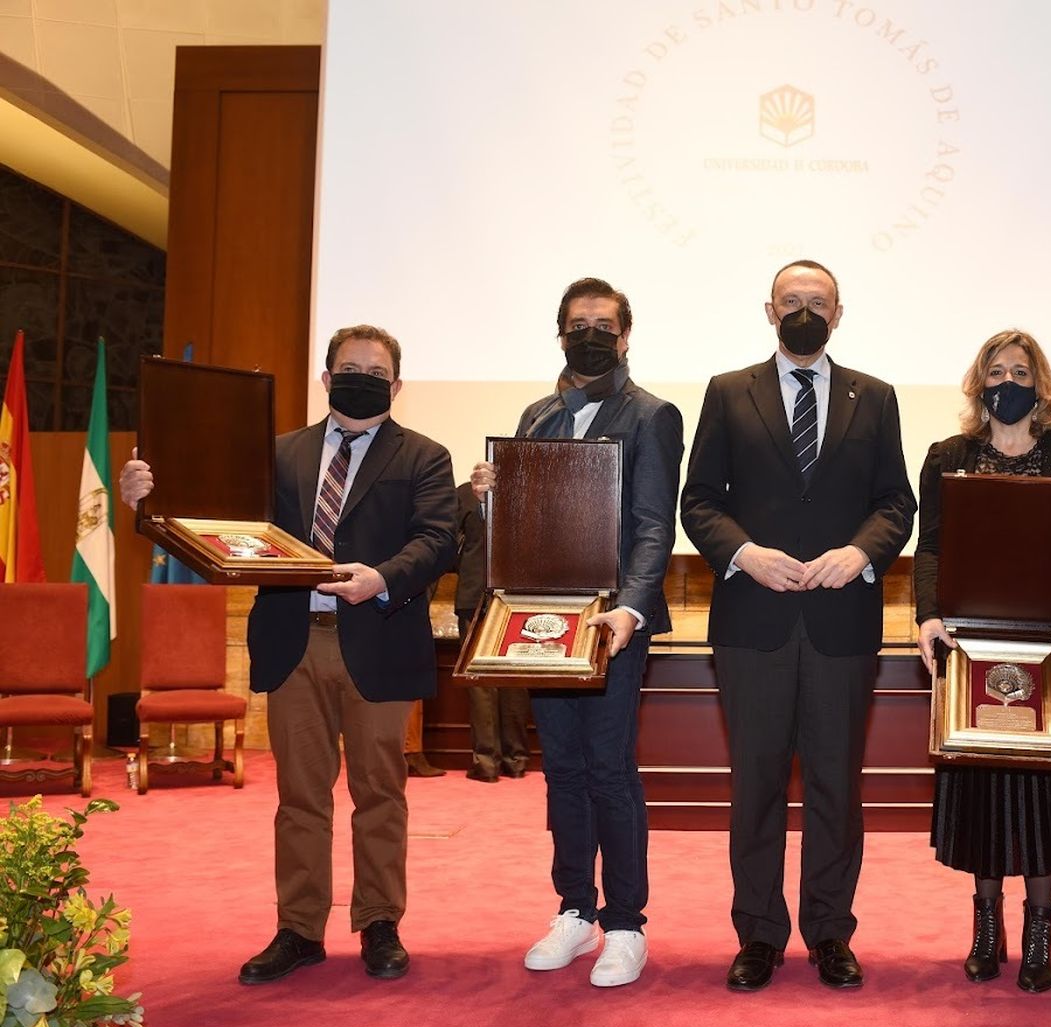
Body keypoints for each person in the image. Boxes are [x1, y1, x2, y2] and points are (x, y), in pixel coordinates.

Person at [119, 324, 456, 984]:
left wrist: (380, 577)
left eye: (376, 369)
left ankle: (380, 921)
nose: (362, 376)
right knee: (300, 796)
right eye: (348, 367)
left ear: (396, 385)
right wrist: (147, 500)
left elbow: (438, 539)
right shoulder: (276, 454)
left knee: (379, 793)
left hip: (379, 639)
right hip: (293, 641)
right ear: (326, 379)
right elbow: (215, 518)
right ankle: (299, 928)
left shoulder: (424, 456)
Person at [681, 260, 916, 992]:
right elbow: (699, 501)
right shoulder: (728, 391)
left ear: (839, 313)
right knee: (753, 785)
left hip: (842, 622)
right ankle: (758, 933)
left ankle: (829, 931)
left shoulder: (874, 397)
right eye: (792, 301)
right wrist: (745, 553)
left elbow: (896, 504)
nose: (804, 310)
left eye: (818, 302)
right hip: (753, 624)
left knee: (835, 787)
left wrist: (860, 553)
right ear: (768, 310)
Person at [471, 277, 683, 988]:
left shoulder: (653, 414)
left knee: (609, 770)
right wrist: (489, 501)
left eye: (603, 323)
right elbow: (526, 523)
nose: (589, 333)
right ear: (560, 334)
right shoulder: (536, 414)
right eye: (576, 323)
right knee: (560, 770)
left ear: (625, 336)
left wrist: (631, 607)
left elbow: (654, 526)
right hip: (543, 623)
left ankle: (626, 921)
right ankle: (575, 910)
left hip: (611, 625)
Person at [913, 330, 1051, 993]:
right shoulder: (949, 455)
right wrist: (928, 615)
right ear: (978, 383)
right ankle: (987, 929)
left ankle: (1039, 933)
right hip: (974, 643)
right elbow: (932, 546)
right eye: (996, 370)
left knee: (1046, 792)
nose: (1008, 379)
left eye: (1020, 369)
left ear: (1041, 381)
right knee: (985, 794)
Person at [452, 479, 531, 782]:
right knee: (515, 680)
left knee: (481, 683)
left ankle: (486, 762)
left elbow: (447, 543)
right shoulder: (528, 493)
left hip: (476, 596)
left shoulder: (462, 494)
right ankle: (516, 760)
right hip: (516, 597)